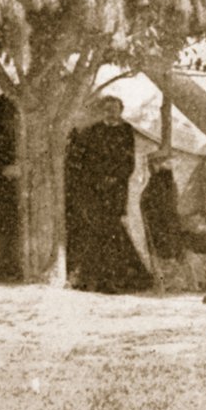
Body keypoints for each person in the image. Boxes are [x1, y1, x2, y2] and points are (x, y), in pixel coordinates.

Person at [66, 96, 151, 293]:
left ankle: (119, 279)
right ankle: (95, 280)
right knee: (97, 230)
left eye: (114, 109)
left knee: (113, 229)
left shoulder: (126, 131)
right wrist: (96, 179)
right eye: (107, 109)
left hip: (115, 190)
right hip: (95, 189)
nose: (111, 113)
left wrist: (114, 178)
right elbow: (86, 160)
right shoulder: (93, 130)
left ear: (121, 111)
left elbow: (128, 162)